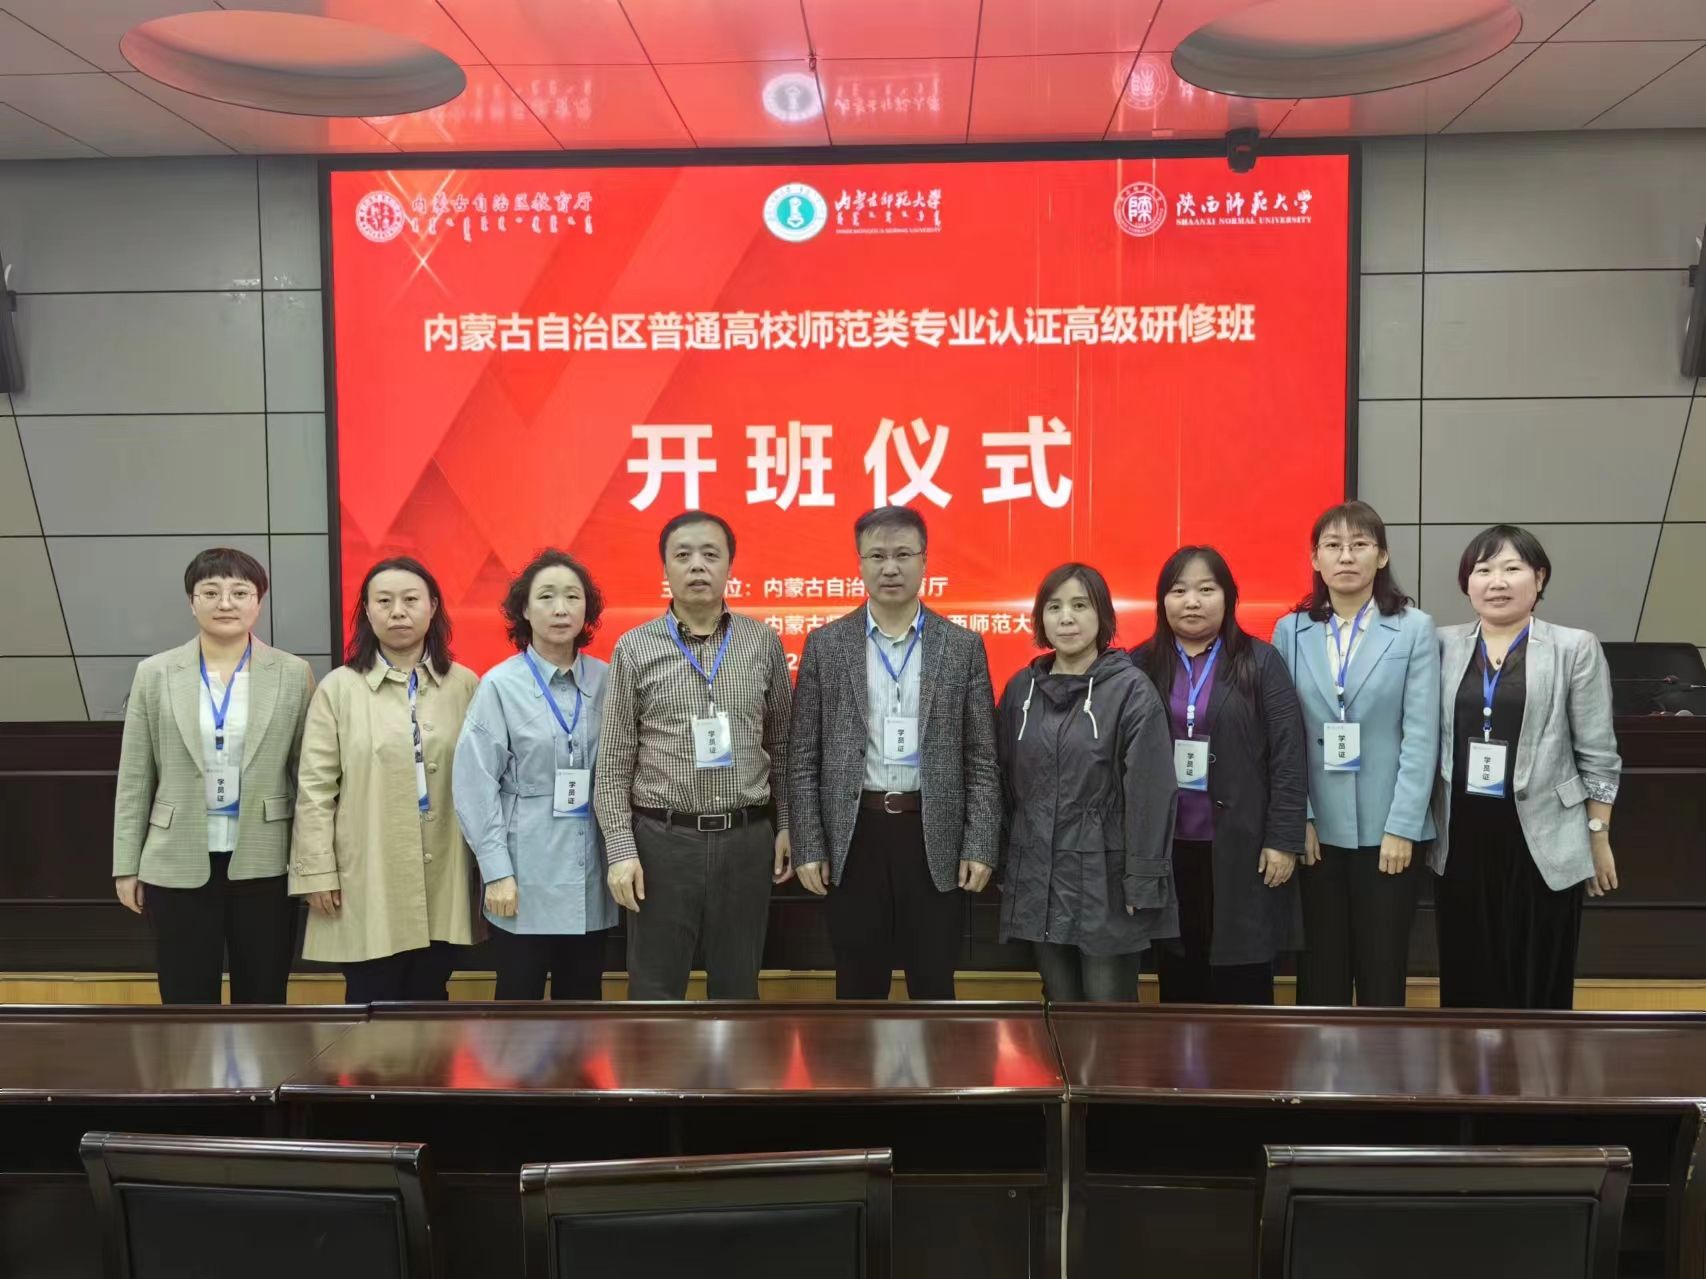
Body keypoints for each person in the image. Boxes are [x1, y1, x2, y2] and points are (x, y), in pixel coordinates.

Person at [787, 505, 1001, 1000]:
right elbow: (802, 759)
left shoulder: (961, 646)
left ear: (924, 561)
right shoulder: (826, 645)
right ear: (859, 563)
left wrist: (980, 843)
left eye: (903, 555)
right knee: (858, 987)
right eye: (877, 556)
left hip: (934, 832)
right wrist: (810, 845)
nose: (890, 568)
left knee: (934, 985)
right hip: (854, 834)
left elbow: (982, 760)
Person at [594, 511, 793, 1000]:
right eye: (683, 555)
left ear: (729, 566)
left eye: (710, 554)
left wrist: (788, 824)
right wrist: (621, 851)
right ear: (665, 567)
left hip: (746, 841)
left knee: (738, 990)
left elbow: (785, 746)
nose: (697, 565)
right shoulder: (634, 648)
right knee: (654, 993)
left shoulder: (762, 642)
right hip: (662, 843)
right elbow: (613, 765)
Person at [111, 548, 315, 1004]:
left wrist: (314, 862)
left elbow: (307, 775)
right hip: (175, 857)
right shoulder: (155, 673)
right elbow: (135, 777)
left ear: (258, 602)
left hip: (266, 857)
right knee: (185, 999)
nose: (226, 603)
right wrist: (126, 865)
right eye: (211, 592)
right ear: (192, 601)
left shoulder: (292, 672)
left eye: (240, 592)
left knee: (263, 995)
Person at [1430, 525, 1619, 1009]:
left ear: (1539, 578)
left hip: (1545, 837)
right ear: (1467, 583)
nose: (1497, 581)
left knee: (1537, 980)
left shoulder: (1573, 647)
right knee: (1467, 974)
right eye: (1483, 570)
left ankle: (1540, 1060)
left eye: (1512, 568)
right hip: (1462, 836)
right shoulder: (1439, 645)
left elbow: (1599, 755)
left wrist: (1597, 836)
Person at [289, 556, 480, 1003]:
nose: (398, 612)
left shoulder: (465, 685)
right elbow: (315, 789)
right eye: (384, 601)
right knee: (369, 997)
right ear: (367, 611)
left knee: (431, 994)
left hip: (445, 866)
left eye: (410, 600)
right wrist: (316, 871)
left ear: (433, 607)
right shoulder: (339, 688)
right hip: (365, 869)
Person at [1272, 502, 1440, 1007]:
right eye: (1333, 546)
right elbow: (1283, 735)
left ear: (1381, 556)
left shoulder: (1413, 628)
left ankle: (1381, 1061)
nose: (1346, 556)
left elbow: (1421, 734)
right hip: (1316, 830)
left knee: (1382, 969)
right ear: (1315, 559)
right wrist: (1298, 817)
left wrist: (1403, 826)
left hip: (1388, 830)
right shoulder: (1290, 631)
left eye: (1360, 545)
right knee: (1319, 971)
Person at [995, 563, 1178, 1002]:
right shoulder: (1021, 689)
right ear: (1040, 619)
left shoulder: (1131, 690)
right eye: (1054, 607)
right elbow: (1000, 781)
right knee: (1059, 1013)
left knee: (1107, 1017)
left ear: (1103, 615)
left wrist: (1143, 877)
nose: (1066, 618)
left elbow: (1151, 792)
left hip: (1105, 881)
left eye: (1080, 605)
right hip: (1038, 874)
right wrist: (1004, 862)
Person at [1132, 546, 1306, 1004]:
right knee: (1178, 973)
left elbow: (1288, 756)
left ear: (1228, 597)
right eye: (1179, 591)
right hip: (1167, 848)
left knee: (1242, 978)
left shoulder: (1260, 661)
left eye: (1206, 590)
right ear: (1162, 600)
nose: (1192, 601)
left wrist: (1283, 839)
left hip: (1242, 846)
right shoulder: (1140, 664)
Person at [454, 550, 616, 1000]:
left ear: (587, 609)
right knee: (517, 1008)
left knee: (583, 1007)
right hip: (523, 877)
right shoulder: (500, 685)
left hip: (591, 876)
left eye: (572, 597)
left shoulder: (608, 680)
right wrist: (496, 872)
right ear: (524, 610)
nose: (560, 608)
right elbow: (474, 785)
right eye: (546, 597)